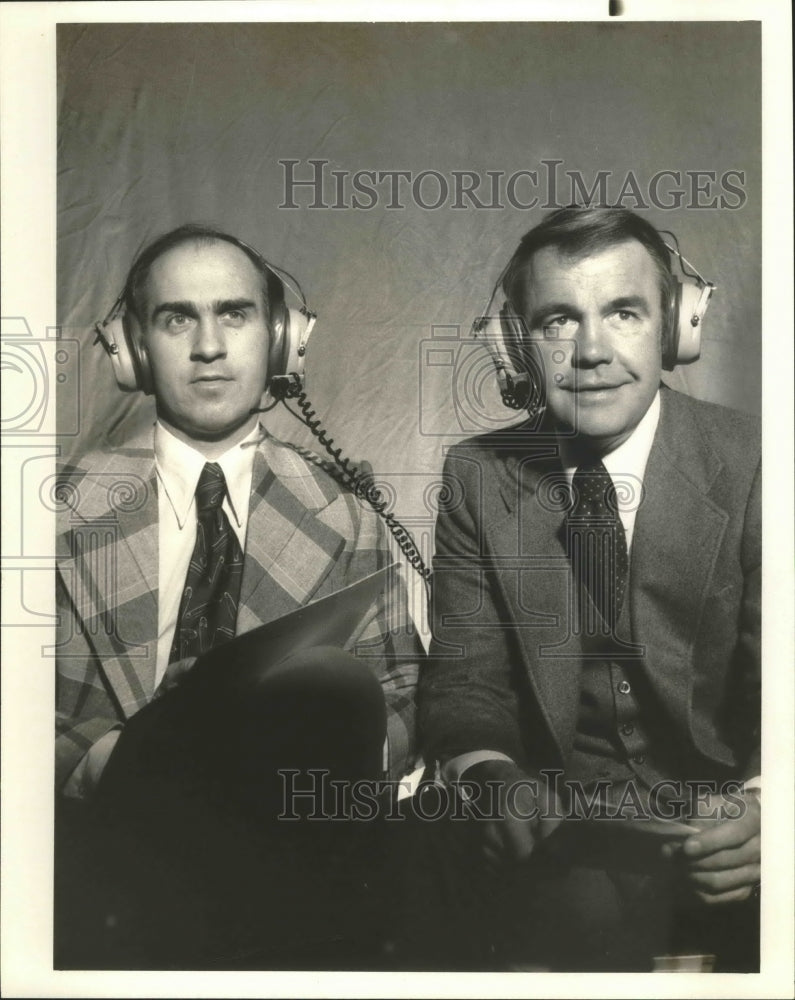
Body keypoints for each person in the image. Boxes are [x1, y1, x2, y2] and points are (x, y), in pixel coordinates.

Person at [54, 224, 421, 968]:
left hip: (299, 850)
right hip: (118, 849)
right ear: (132, 351)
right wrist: (119, 762)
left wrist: (350, 750)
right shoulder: (55, 506)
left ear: (281, 339)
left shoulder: (346, 513)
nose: (209, 346)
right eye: (176, 318)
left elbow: (403, 691)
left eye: (235, 314)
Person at [417, 206, 761, 971]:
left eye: (624, 312)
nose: (593, 351)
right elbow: (464, 677)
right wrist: (489, 773)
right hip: (558, 829)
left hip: (721, 822)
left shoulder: (759, 462)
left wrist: (766, 809)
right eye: (558, 322)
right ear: (514, 345)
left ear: (675, 327)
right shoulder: (477, 475)